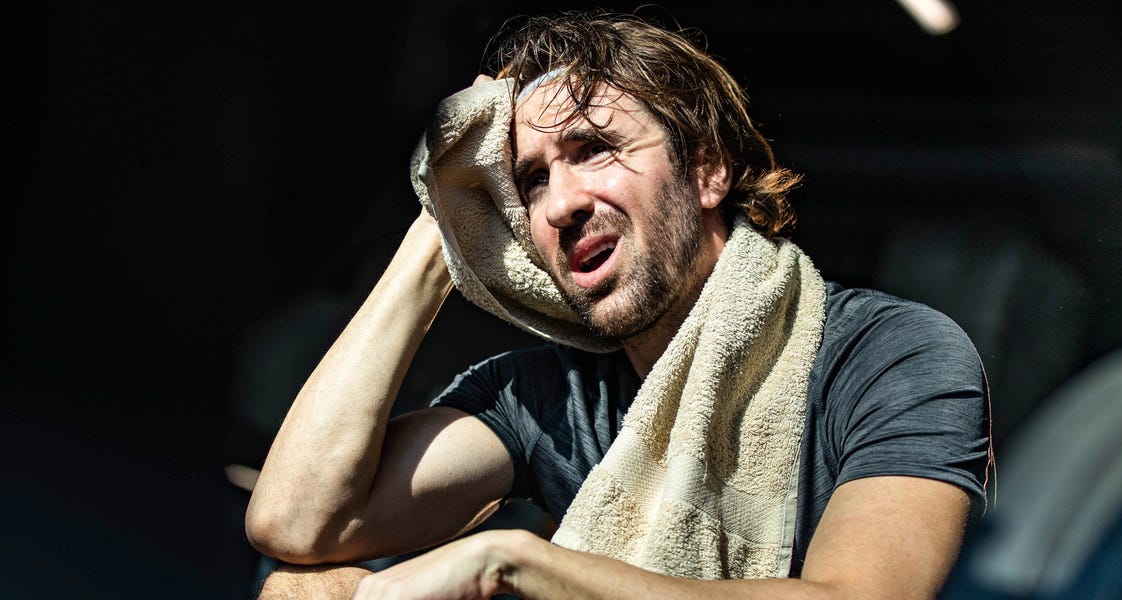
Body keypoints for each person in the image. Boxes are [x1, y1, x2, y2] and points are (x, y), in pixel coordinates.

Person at [246, 10, 991, 599]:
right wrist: (445, 223)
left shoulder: (893, 355)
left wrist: (513, 564)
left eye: (594, 149)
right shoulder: (545, 397)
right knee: (306, 588)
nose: (560, 203)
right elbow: (297, 522)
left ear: (707, 168)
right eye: (531, 182)